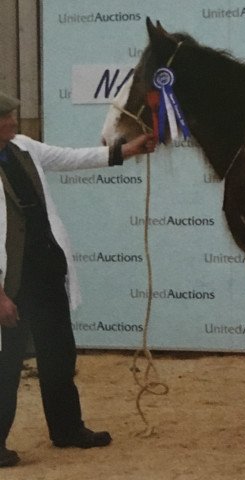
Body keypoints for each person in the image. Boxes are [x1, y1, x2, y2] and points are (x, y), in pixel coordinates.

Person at [0, 91, 155, 467]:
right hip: (10, 282)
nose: (15, 121)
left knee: (59, 355)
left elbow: (71, 158)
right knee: (6, 365)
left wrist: (127, 151)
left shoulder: (23, 147)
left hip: (46, 271)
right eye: (7, 116)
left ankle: (67, 429)